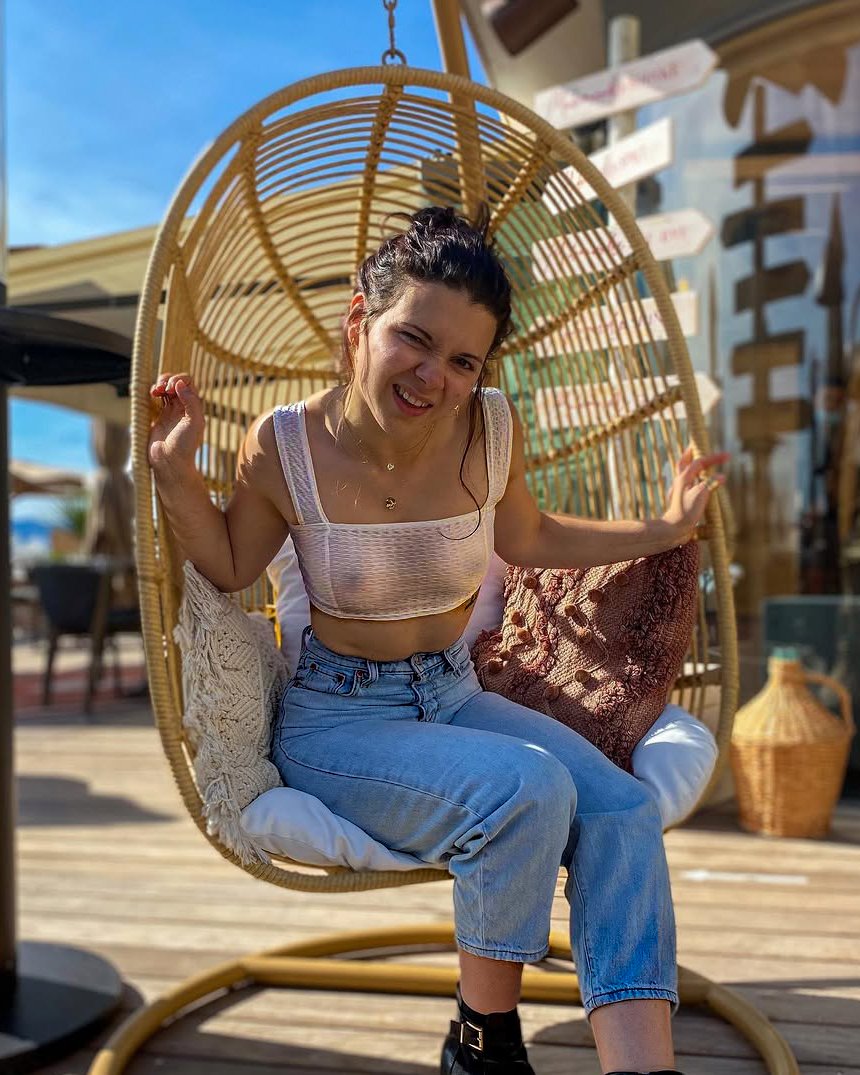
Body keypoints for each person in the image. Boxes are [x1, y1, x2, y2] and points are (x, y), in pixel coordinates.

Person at [149, 205, 727, 1075]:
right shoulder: (288, 446)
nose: (434, 377)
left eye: (463, 360)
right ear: (360, 320)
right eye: (413, 339)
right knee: (525, 788)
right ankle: (482, 1048)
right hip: (338, 720)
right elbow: (230, 565)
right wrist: (174, 471)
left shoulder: (490, 428)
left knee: (623, 807)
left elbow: (531, 536)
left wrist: (664, 528)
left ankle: (643, 1069)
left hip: (453, 694)